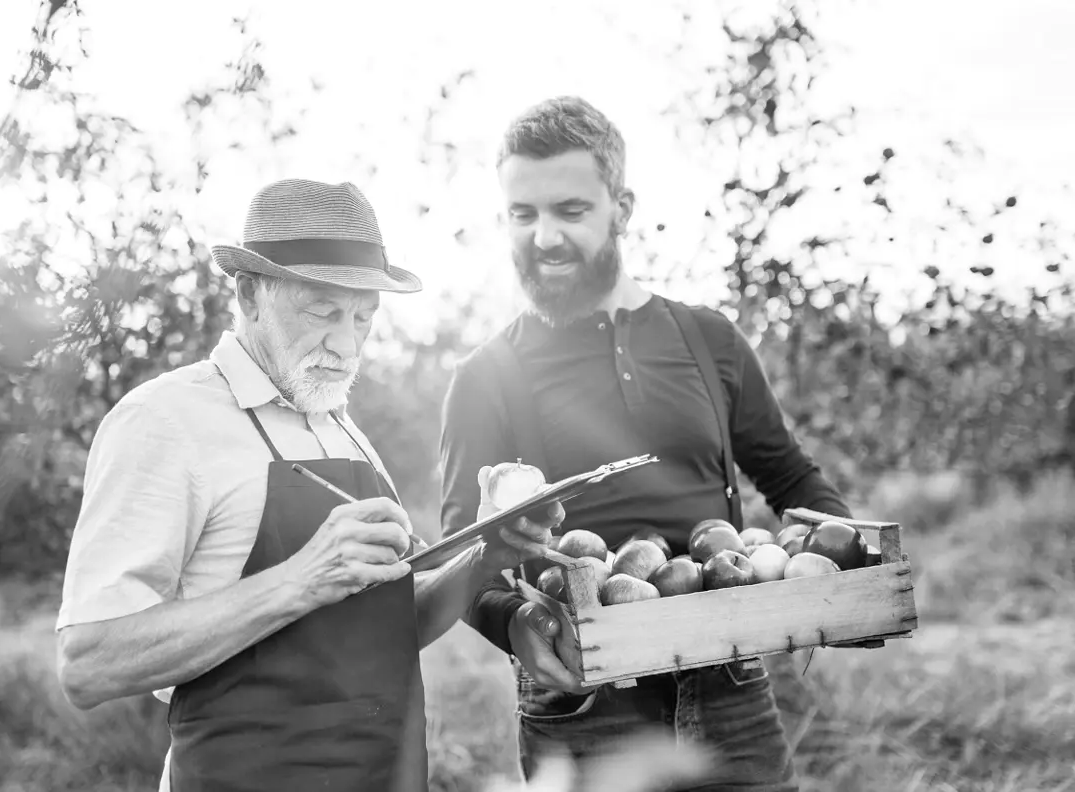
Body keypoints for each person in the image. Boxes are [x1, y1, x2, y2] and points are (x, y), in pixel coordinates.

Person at [55, 178, 562, 792]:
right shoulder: (164, 421)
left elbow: (387, 628)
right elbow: (88, 661)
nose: (346, 345)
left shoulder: (340, 427)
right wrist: (299, 580)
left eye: (363, 318)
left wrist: (490, 553)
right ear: (249, 293)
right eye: (323, 311)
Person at [439, 96, 855, 791]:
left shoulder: (707, 340)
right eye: (523, 214)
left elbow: (791, 479)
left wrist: (840, 553)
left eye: (570, 211)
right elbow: (461, 548)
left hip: (731, 685)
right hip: (584, 704)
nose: (543, 237)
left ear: (621, 208)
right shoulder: (487, 377)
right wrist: (515, 624)